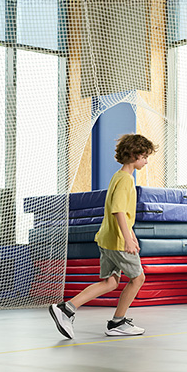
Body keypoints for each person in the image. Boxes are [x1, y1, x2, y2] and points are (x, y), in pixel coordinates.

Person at [49, 134, 156, 338]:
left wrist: (130, 235)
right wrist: (126, 239)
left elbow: (121, 212)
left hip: (107, 238)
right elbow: (118, 211)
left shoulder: (118, 176)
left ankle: (67, 309)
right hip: (116, 241)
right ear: (134, 155)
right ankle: (118, 322)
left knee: (111, 282)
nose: (146, 160)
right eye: (144, 156)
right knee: (138, 278)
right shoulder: (126, 180)